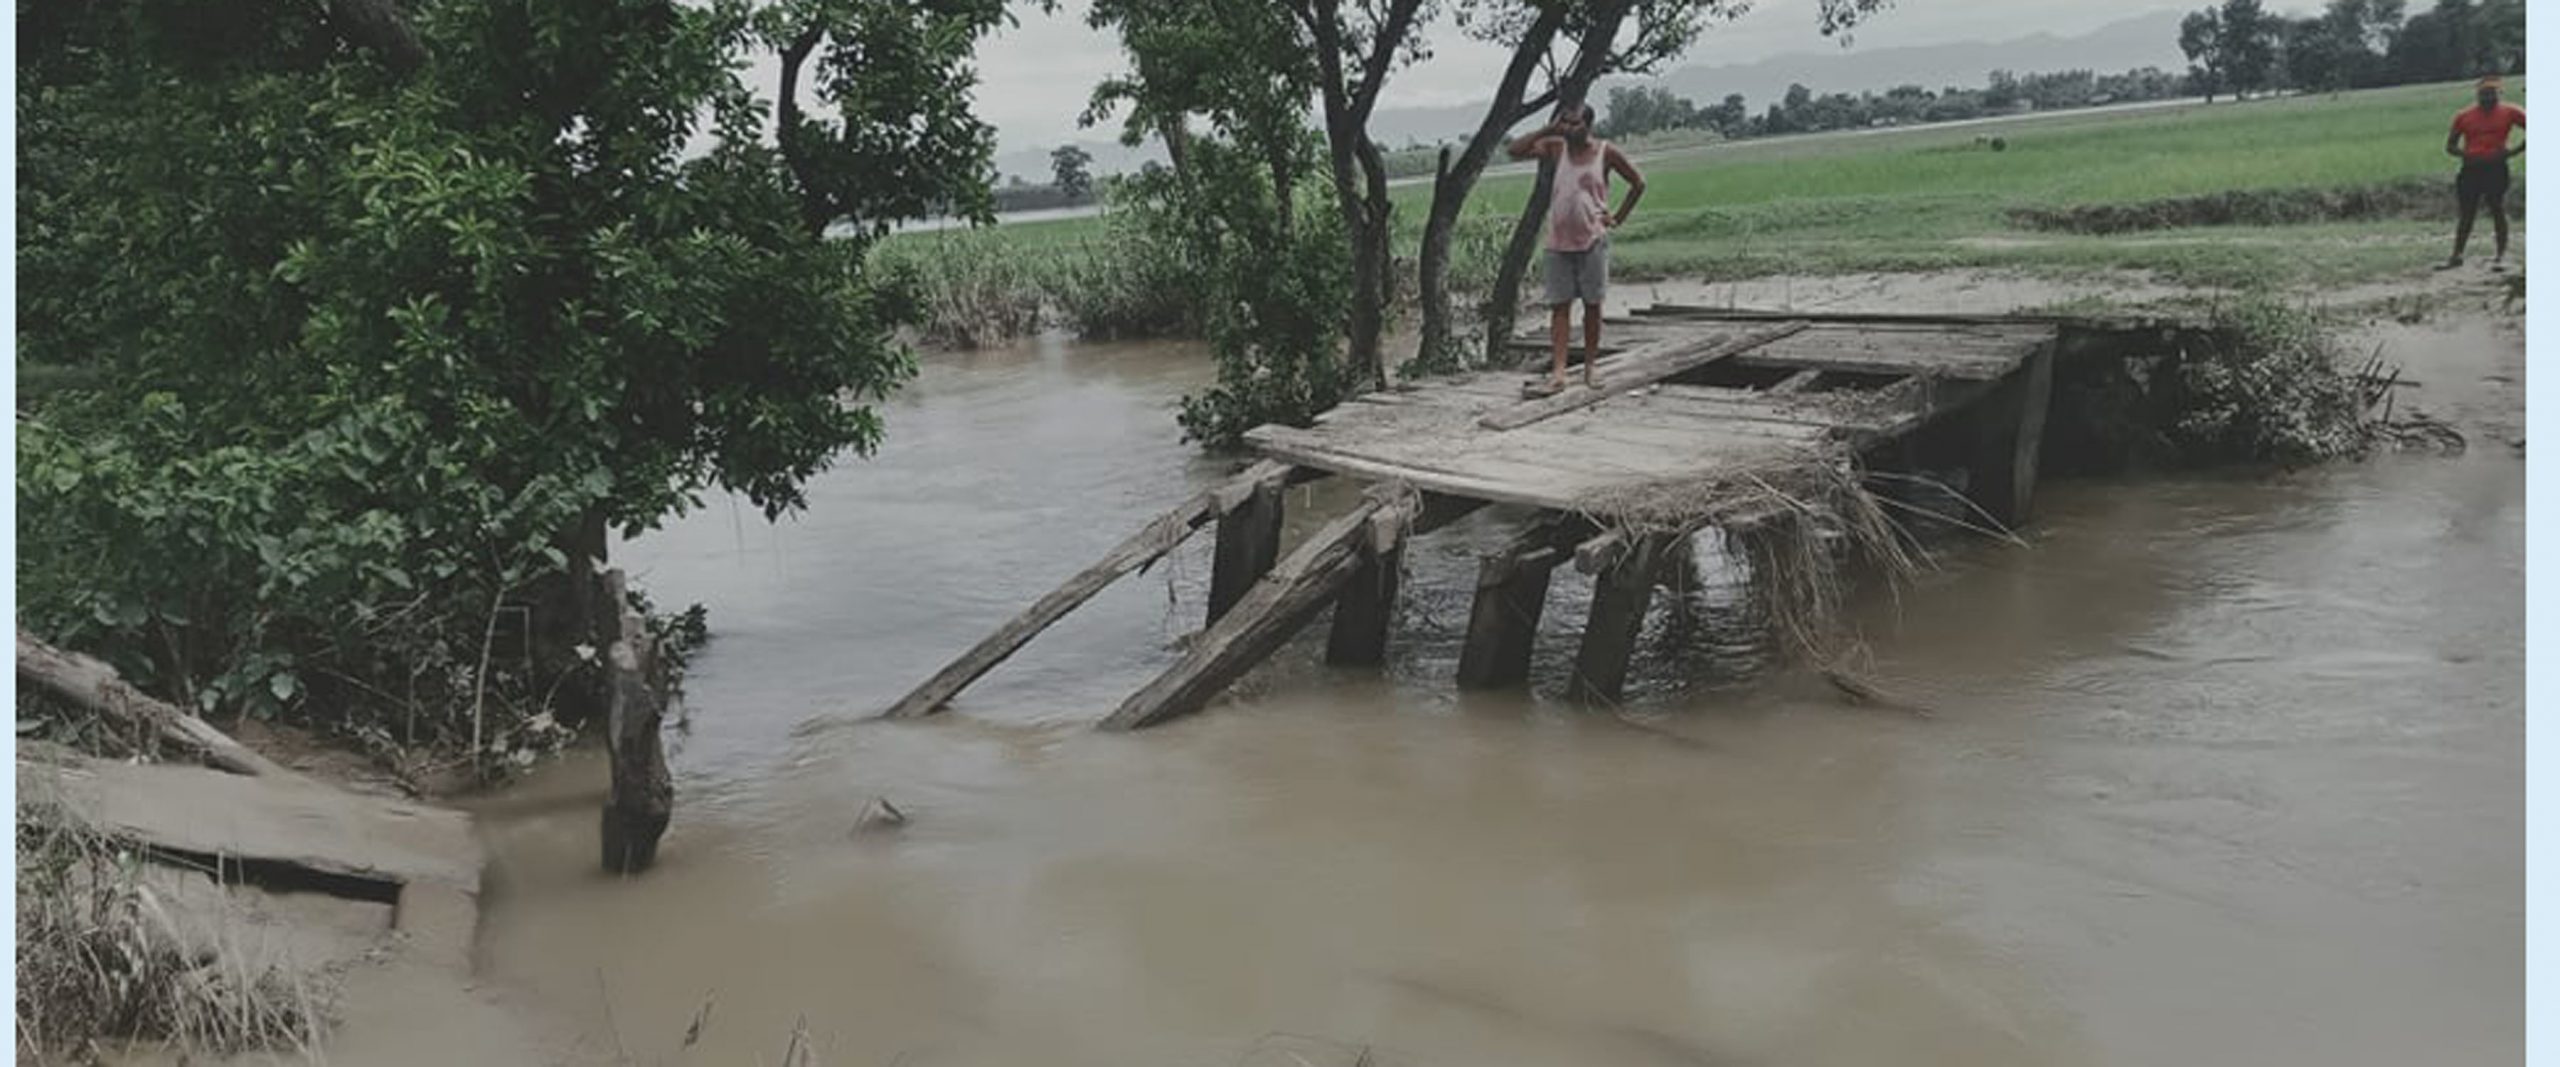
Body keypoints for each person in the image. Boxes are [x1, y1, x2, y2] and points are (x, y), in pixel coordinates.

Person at [1508, 101, 1646, 395]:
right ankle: (1559, 371)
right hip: (1559, 242)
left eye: (1575, 124)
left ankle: (1590, 366)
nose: (1569, 129)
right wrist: (1548, 129)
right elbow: (1514, 151)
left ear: (1589, 125)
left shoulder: (1605, 153)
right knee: (1559, 307)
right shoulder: (1557, 148)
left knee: (1593, 306)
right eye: (1565, 123)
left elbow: (1637, 183)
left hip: (1592, 239)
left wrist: (1617, 217)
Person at [2443, 76, 2525, 272]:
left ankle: (2501, 255)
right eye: (2484, 94)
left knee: (2497, 209)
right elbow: (2450, 146)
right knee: (2467, 213)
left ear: (2499, 94)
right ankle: (2457, 255)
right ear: (2477, 95)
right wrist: (2468, 155)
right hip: (2471, 169)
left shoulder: (2510, 112)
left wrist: (2516, 150)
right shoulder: (2464, 116)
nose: (2488, 98)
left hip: (2496, 167)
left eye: (2492, 94)